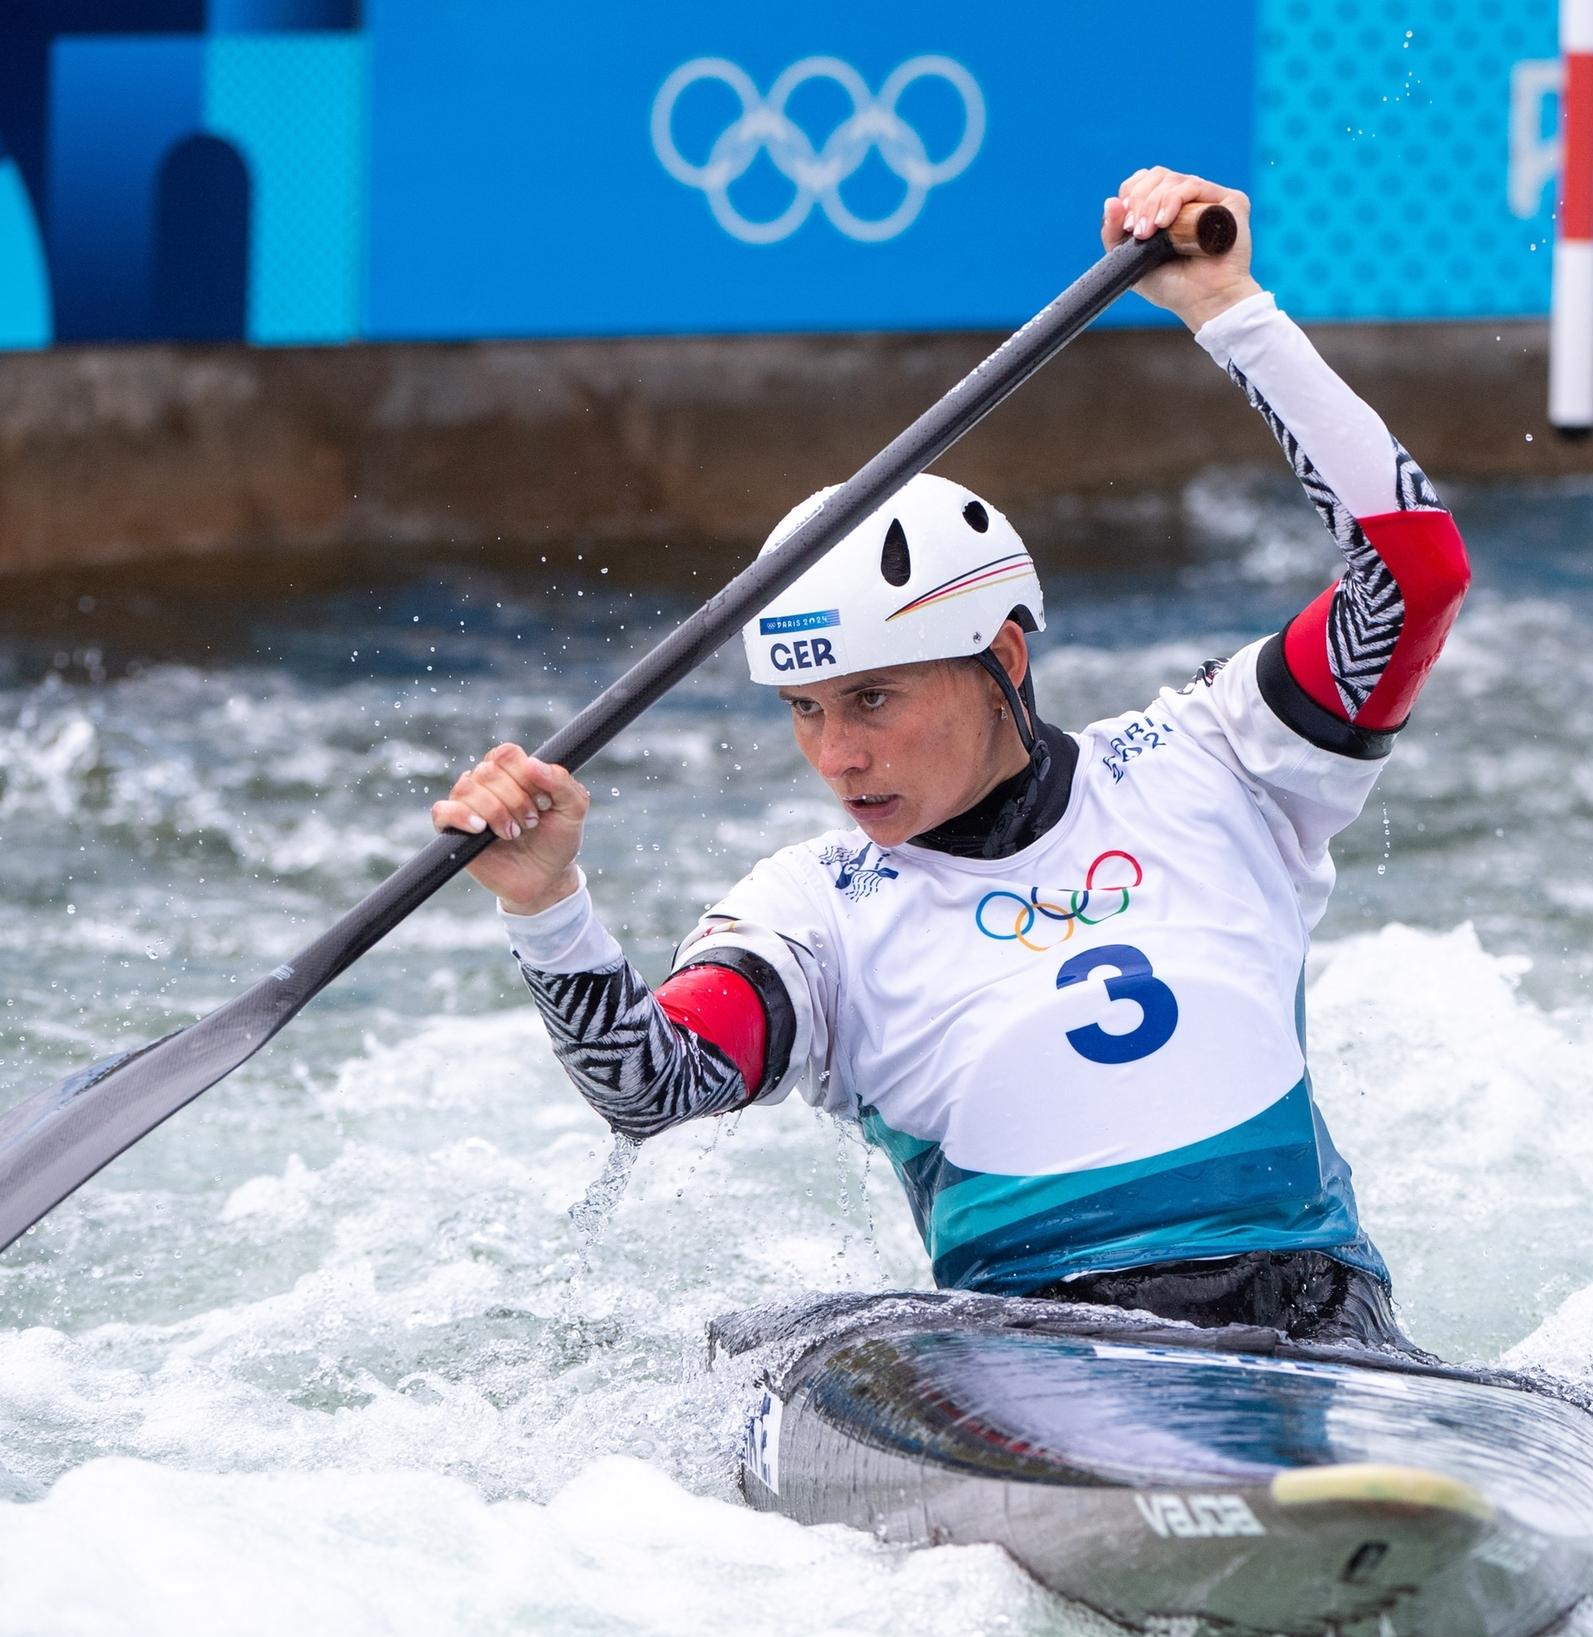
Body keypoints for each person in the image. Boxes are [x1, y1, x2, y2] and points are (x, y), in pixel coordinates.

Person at [432, 168, 1470, 1349]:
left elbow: (1414, 574)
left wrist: (1228, 312)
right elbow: (649, 1089)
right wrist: (547, 905)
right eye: (805, 709)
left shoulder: (1220, 762)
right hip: (1028, 1356)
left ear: (1005, 660)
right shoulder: (815, 911)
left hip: (1311, 1323)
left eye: (872, 698)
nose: (836, 753)